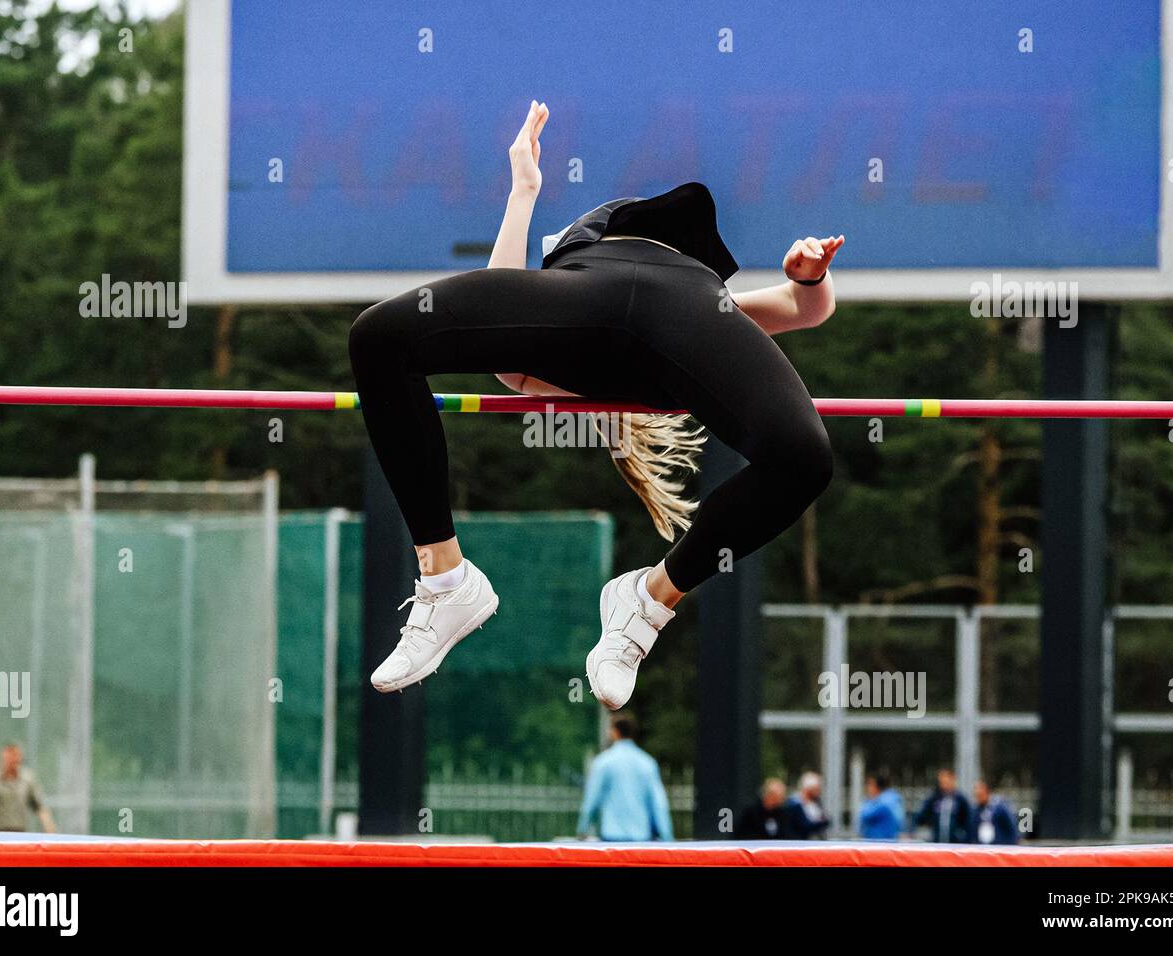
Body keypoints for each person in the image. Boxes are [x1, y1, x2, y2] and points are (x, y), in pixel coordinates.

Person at [350, 102, 841, 708]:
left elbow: (496, 324)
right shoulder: (619, 344)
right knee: (377, 336)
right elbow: (805, 309)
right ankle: (450, 581)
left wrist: (524, 194)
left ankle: (643, 601)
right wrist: (809, 280)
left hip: (645, 299)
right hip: (625, 299)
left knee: (806, 457)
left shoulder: (547, 361)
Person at [576, 715, 673, 841]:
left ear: (615, 732)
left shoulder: (604, 762)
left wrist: (582, 830)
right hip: (641, 838)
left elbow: (592, 801)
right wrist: (667, 837)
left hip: (611, 837)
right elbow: (658, 804)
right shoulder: (647, 763)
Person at [0, 743, 56, 834]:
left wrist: (48, 825)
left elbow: (38, 805)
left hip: (18, 832)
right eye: (9, 757)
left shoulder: (27, 779)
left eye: (15, 757)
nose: (13, 760)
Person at [913, 768, 973, 843]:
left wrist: (962, 837)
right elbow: (921, 817)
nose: (943, 784)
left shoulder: (960, 799)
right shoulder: (934, 798)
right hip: (937, 843)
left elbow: (968, 822)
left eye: (946, 781)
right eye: (941, 782)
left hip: (955, 845)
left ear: (953, 779)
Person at [857, 771, 905, 840]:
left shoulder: (883, 804)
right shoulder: (892, 799)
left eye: (870, 785)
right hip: (884, 842)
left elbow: (864, 816)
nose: (867, 788)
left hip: (880, 843)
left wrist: (868, 801)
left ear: (877, 786)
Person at [969, 779, 1019, 845]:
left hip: (999, 848)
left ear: (987, 791)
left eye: (980, 794)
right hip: (983, 848)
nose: (978, 797)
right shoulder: (976, 810)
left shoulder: (999, 807)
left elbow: (1011, 826)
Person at [787, 771, 830, 839]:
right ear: (808, 789)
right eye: (816, 789)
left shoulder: (817, 801)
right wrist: (821, 822)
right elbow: (804, 825)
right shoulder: (794, 803)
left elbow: (826, 819)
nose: (818, 792)